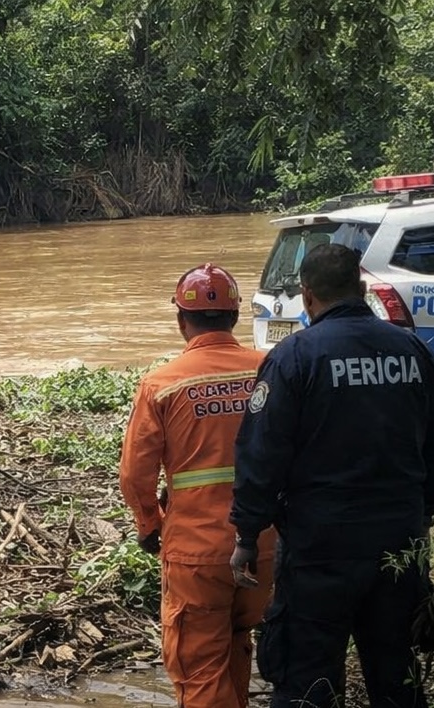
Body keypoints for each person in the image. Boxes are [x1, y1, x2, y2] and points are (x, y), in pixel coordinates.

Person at [230, 243, 434, 708]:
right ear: (361, 290)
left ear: (306, 296)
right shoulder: (411, 350)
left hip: (321, 546)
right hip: (400, 543)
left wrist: (247, 533)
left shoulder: (295, 356)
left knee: (306, 679)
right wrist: (422, 516)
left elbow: (262, 453)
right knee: (397, 675)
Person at [119, 263, 277, 708]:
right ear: (234, 316)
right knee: (237, 642)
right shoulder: (269, 369)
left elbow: (135, 474)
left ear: (180, 321)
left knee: (199, 668)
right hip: (264, 544)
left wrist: (150, 525)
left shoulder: (162, 383)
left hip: (197, 551)